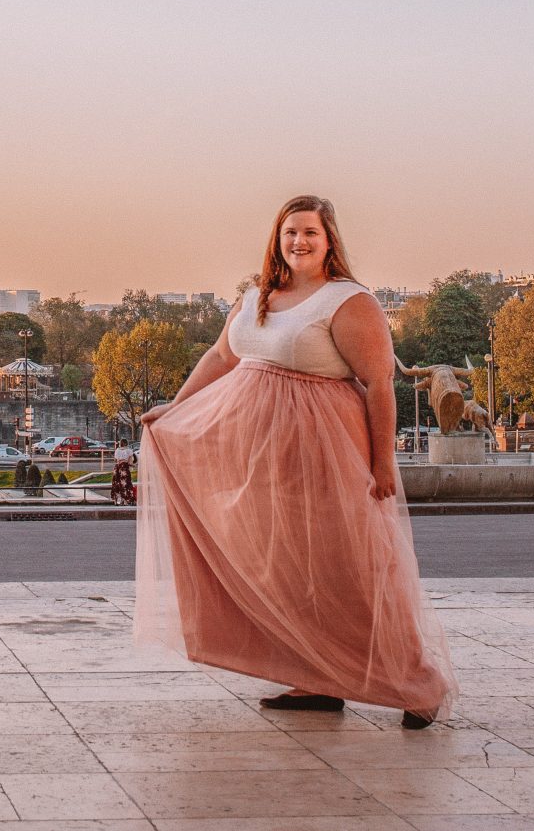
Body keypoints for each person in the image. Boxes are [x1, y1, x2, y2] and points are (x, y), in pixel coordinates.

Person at [135, 195, 454, 728]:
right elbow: (221, 357)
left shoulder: (349, 302)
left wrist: (381, 464)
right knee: (290, 567)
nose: (299, 242)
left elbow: (379, 386)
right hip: (260, 454)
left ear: (329, 240)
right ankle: (318, 676)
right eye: (290, 233)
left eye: (309, 232)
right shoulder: (256, 295)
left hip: (327, 450)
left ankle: (415, 684)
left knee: (350, 568)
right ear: (276, 239)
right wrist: (178, 404)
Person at [111, 440, 135, 505]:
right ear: (126, 444)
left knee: (116, 483)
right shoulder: (129, 450)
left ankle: (116, 501)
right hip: (124, 468)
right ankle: (125, 500)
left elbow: (115, 460)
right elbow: (130, 462)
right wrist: (133, 465)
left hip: (117, 468)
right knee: (126, 484)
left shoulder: (117, 450)